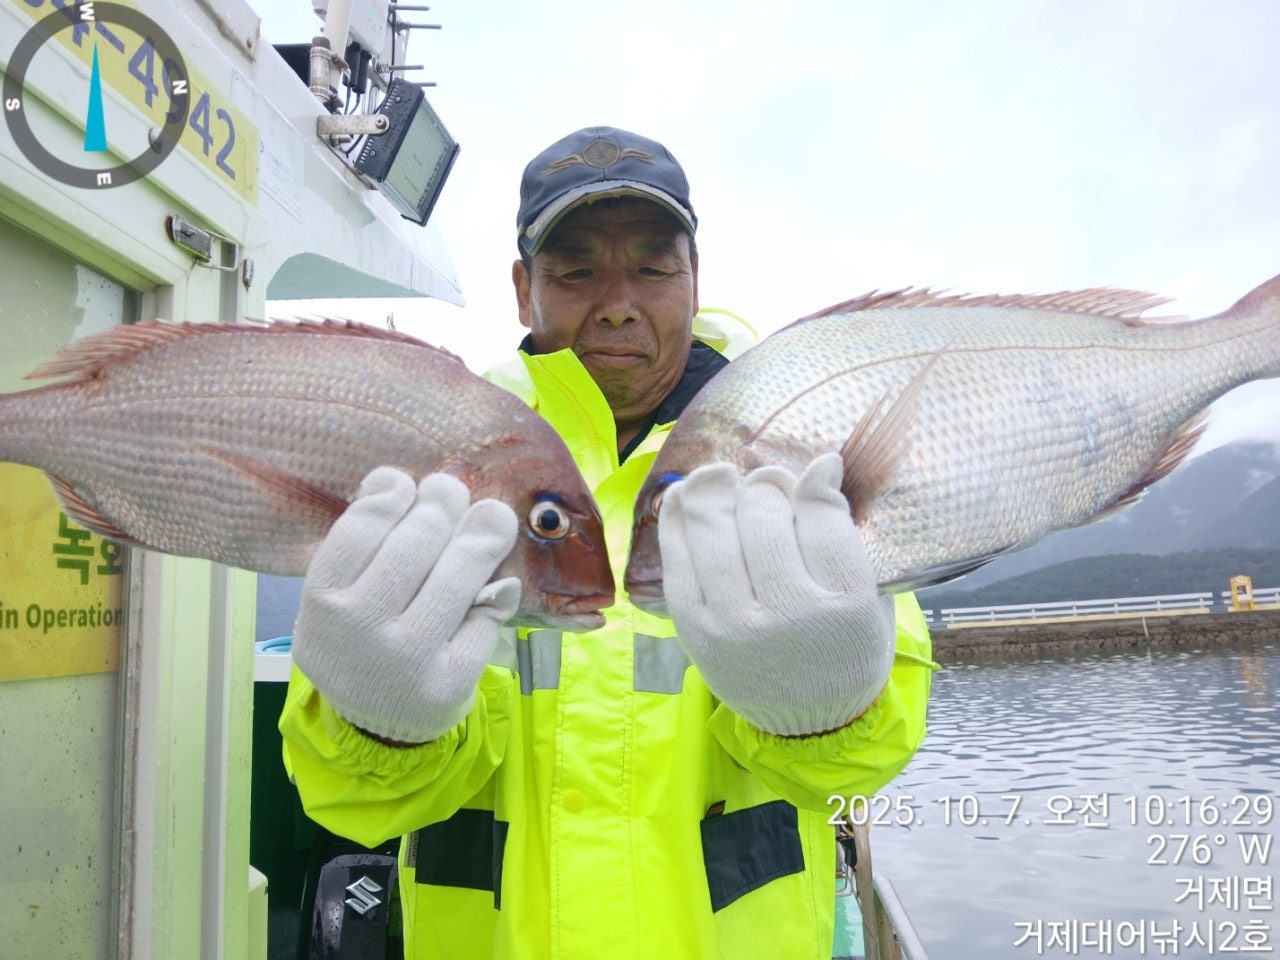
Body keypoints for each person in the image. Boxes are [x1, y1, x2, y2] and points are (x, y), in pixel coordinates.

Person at [279, 126, 935, 959]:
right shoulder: (439, 466)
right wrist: (378, 724)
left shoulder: (794, 460)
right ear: (523, 290)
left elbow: (861, 764)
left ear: (696, 278)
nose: (618, 302)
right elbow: (354, 803)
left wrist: (825, 709)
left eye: (654, 267)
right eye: (576, 269)